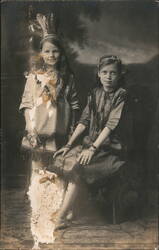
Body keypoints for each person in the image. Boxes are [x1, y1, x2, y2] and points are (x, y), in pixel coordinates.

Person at [19, 13, 79, 247]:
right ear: (41, 54)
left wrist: (72, 128)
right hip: (37, 130)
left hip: (60, 131)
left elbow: (74, 105)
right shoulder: (34, 77)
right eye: (47, 51)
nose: (51, 55)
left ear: (61, 54)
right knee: (38, 169)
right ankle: (37, 209)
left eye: (55, 51)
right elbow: (26, 104)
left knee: (57, 170)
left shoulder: (68, 78)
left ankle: (56, 210)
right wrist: (29, 127)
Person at [52, 55, 127, 230]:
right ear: (98, 74)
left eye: (113, 73)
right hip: (91, 144)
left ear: (119, 75)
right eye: (105, 72)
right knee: (63, 160)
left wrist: (92, 149)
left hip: (110, 148)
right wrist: (69, 145)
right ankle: (69, 210)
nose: (108, 77)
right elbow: (84, 121)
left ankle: (60, 217)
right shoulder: (94, 93)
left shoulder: (121, 95)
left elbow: (110, 125)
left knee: (78, 168)